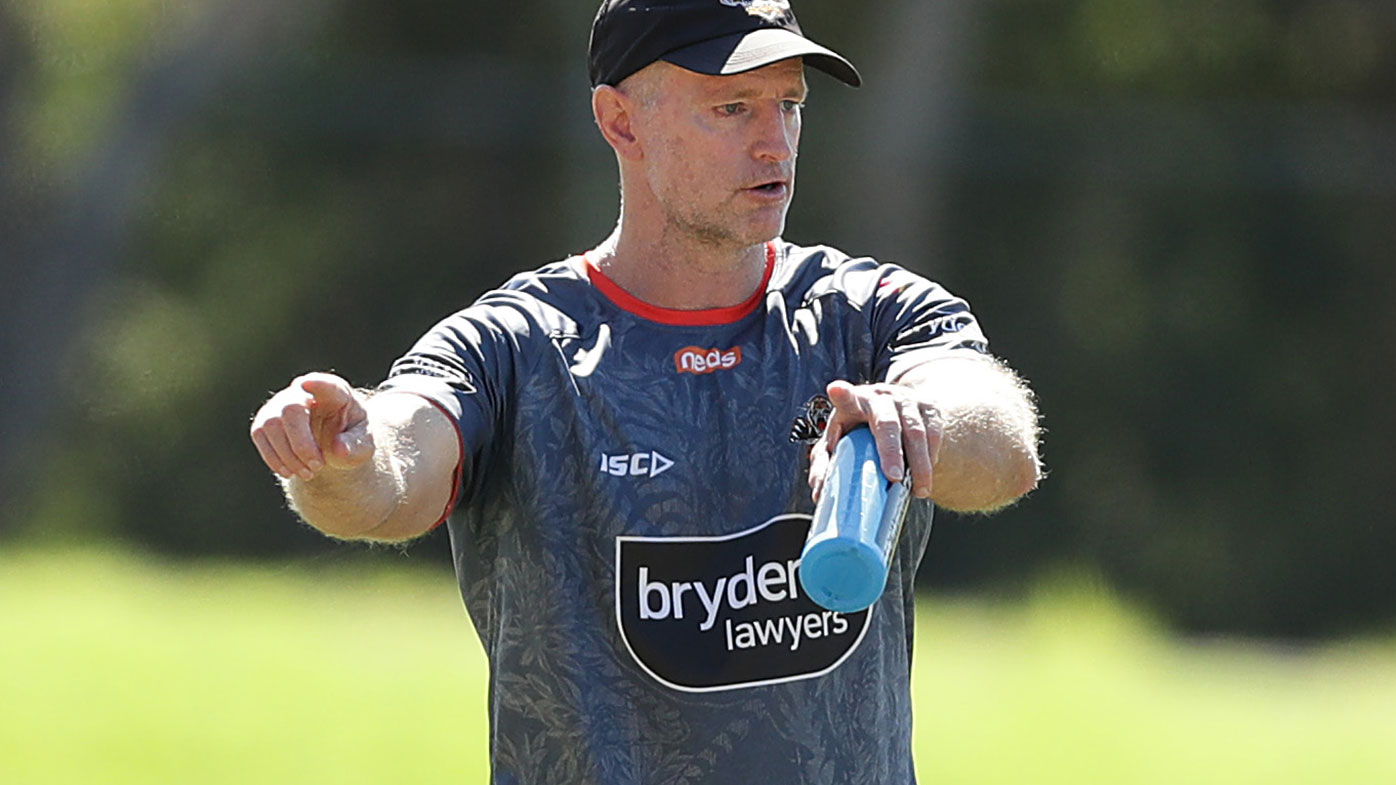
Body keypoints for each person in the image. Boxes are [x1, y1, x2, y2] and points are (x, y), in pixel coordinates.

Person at [249, 1, 1042, 782]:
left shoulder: (868, 314)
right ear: (620, 121)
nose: (775, 142)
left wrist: (921, 418)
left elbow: (1003, 439)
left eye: (790, 104)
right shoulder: (519, 344)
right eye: (732, 107)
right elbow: (394, 471)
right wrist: (341, 458)